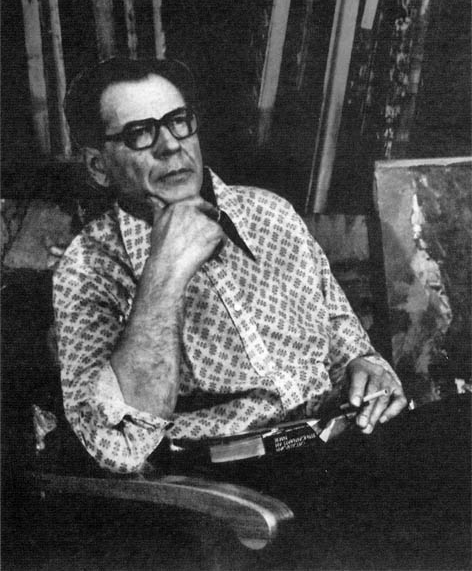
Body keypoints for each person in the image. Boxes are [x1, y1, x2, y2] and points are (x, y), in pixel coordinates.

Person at [54, 57, 406, 476]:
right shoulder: (87, 268)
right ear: (98, 167)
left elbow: (352, 351)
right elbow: (119, 448)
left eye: (178, 121)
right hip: (233, 486)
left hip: (346, 446)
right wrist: (164, 273)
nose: (170, 145)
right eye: (140, 133)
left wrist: (368, 373)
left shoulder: (271, 214)